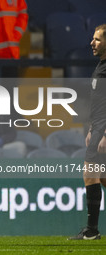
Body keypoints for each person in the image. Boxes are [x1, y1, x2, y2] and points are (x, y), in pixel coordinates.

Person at [69, 24, 106, 240]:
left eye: (98, 40)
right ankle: (92, 230)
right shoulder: (101, 66)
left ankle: (91, 231)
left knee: (90, 173)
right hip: (98, 127)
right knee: (100, 177)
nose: (92, 43)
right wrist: (93, 128)